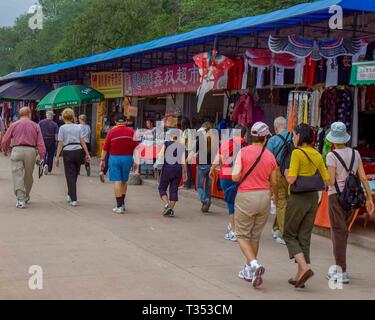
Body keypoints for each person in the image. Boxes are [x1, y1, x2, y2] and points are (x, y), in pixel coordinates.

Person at [326, 122, 374, 284]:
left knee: (338, 233)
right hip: (353, 198)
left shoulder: (331, 156)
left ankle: (341, 271)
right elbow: (362, 177)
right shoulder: (356, 153)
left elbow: (331, 180)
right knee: (343, 232)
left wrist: (323, 174)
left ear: (332, 139)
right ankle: (340, 267)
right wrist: (368, 197)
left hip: (336, 198)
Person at [232, 122, 277, 289]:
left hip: (246, 196)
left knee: (241, 234)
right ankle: (248, 270)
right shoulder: (270, 156)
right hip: (264, 197)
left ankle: (254, 264)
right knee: (255, 235)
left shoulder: (243, 152)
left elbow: (236, 177)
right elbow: (274, 181)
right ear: (265, 138)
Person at [284, 124, 330, 289]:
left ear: (300, 136)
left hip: (298, 198)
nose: (293, 138)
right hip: (312, 198)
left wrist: (286, 172)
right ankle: (299, 276)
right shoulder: (317, 154)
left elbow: (291, 179)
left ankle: (304, 267)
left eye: (294, 135)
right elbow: (327, 180)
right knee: (304, 236)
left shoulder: (297, 153)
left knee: (288, 234)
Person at [1, 107, 46, 209]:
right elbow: (40, 143)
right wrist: (42, 155)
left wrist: (5, 149)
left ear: (20, 114)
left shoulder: (14, 125)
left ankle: (20, 199)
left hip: (17, 150)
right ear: (29, 114)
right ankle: (26, 196)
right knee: (28, 175)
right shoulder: (36, 125)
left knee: (17, 174)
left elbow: (5, 139)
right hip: (31, 151)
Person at [210, 124, 247, 242]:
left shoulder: (228, 144)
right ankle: (235, 226)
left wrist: (212, 169)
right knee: (238, 203)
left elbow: (218, 159)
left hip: (227, 175)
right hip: (241, 177)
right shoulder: (246, 146)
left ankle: (234, 231)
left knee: (231, 203)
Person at [100, 114, 139, 214]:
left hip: (114, 158)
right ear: (125, 122)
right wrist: (136, 161)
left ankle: (119, 206)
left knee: (117, 181)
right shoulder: (132, 132)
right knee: (124, 180)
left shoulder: (111, 132)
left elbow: (105, 148)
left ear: (116, 122)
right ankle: (122, 203)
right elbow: (137, 148)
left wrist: (102, 160)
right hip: (128, 158)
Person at [55, 108, 91, 207]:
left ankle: (73, 198)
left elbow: (60, 143)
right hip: (78, 151)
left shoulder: (62, 128)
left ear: (63, 117)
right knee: (75, 173)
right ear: (72, 117)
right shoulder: (78, 127)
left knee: (69, 174)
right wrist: (87, 154)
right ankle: (70, 193)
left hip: (68, 151)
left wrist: (57, 156)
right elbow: (82, 141)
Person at [267, 116, 292, 246]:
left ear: (275, 128)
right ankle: (276, 228)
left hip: (278, 173)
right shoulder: (293, 137)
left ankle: (283, 233)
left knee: (280, 201)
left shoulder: (273, 140)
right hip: (292, 172)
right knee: (285, 201)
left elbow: (267, 159)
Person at [157, 129, 187, 217]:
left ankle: (167, 205)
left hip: (167, 168)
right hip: (178, 170)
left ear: (170, 136)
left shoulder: (166, 143)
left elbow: (160, 155)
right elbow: (183, 161)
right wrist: (184, 172)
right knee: (174, 190)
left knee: (162, 188)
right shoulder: (181, 146)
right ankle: (171, 209)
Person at [189, 122, 216, 213]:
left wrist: (186, 159)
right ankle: (206, 206)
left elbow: (193, 151)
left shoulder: (200, 139)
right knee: (208, 187)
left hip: (202, 166)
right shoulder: (214, 140)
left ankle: (205, 201)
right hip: (211, 166)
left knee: (199, 186)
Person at [39, 110, 59, 175]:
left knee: (43, 154)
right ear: (51, 116)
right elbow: (56, 135)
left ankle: (44, 165)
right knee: (50, 155)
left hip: (43, 140)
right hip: (51, 141)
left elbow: (38, 132)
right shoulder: (54, 124)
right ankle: (49, 169)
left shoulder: (41, 122)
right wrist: (57, 142)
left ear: (46, 115)